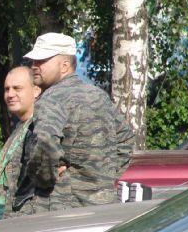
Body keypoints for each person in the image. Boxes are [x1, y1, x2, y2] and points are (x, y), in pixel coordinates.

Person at [25, 32, 134, 210]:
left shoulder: (52, 98)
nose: (34, 66)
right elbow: (126, 139)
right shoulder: (98, 96)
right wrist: (105, 176)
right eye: (33, 61)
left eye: (42, 60)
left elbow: (45, 141)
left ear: (65, 65)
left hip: (63, 209)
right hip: (104, 207)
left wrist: (44, 178)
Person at [0, 65, 41, 221]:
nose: (10, 94)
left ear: (36, 91)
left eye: (17, 88)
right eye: (7, 89)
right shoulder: (21, 126)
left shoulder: (39, 128)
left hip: (23, 221)